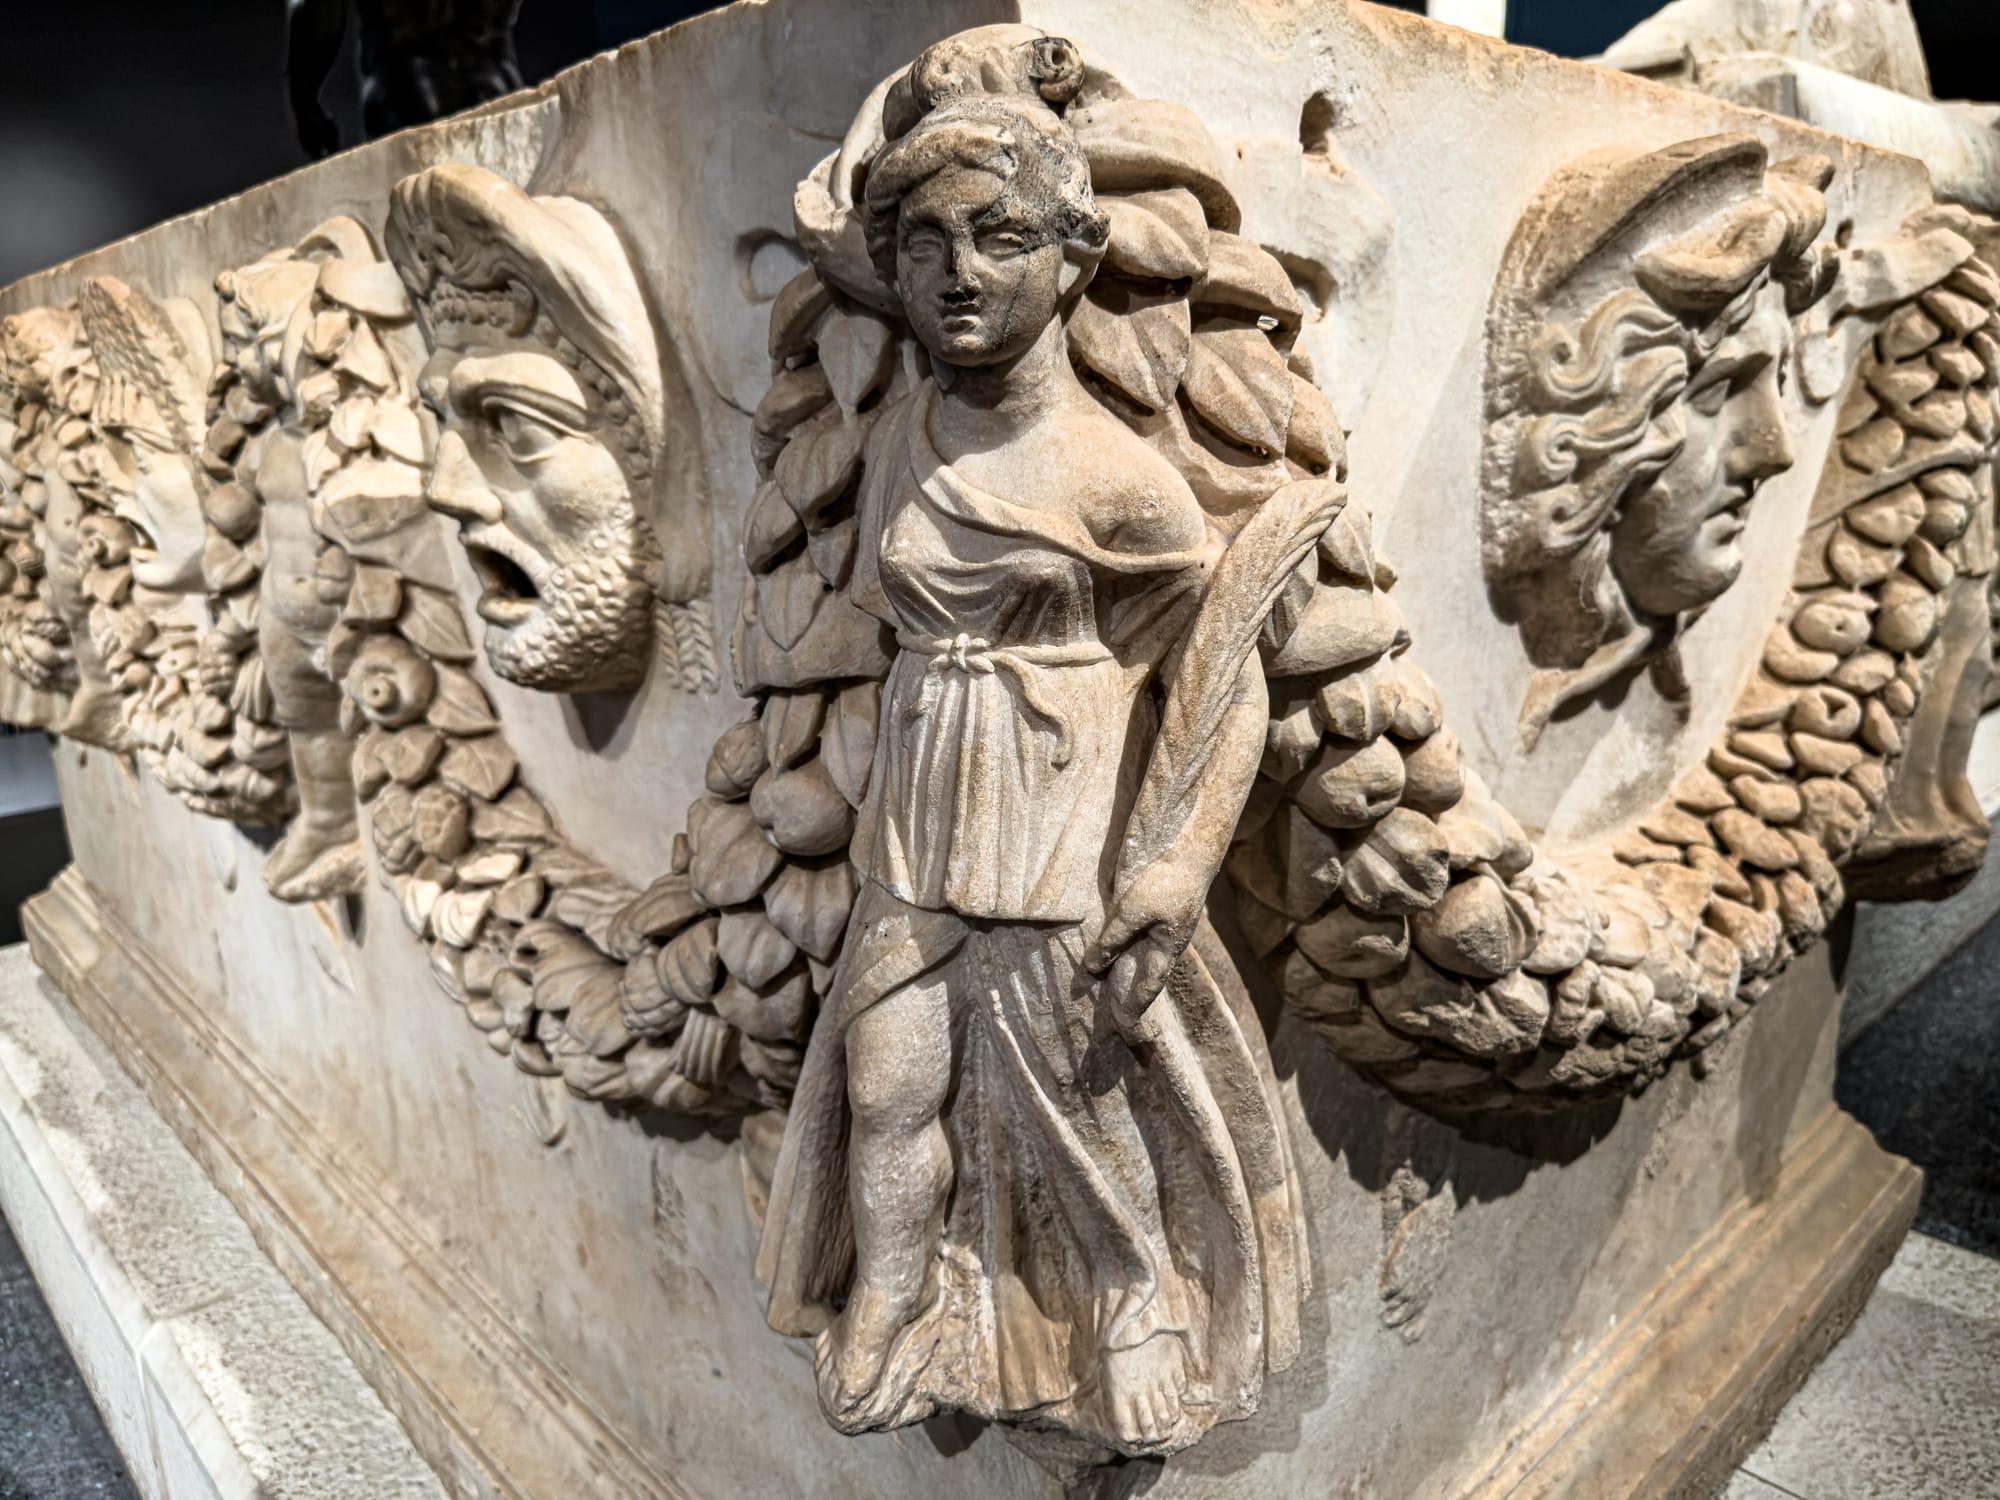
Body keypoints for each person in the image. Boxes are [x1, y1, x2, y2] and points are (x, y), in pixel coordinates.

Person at [757, 88, 1317, 1458]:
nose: (959, 272)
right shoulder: (904, 439)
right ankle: (894, 1287)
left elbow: (1218, 680)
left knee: (1082, 1082)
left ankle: (1132, 1297)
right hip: (921, 810)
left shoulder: (1121, 482)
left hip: (1058, 809)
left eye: (1000, 236)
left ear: (1074, 259)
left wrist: (1177, 867)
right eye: (927, 242)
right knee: (889, 1078)